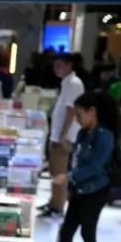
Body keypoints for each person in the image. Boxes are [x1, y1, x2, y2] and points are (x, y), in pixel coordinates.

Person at [31, 91, 120, 242]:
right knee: (66, 230)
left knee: (88, 232)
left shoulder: (105, 136)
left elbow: (96, 167)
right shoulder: (83, 133)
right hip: (80, 190)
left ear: (92, 112)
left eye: (79, 115)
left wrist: (69, 176)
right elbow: (79, 158)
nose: (77, 120)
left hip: (96, 191)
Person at [40, 53, 86, 217]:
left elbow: (71, 112)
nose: (56, 69)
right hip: (58, 134)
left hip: (63, 136)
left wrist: (62, 135)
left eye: (59, 65)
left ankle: (57, 206)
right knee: (54, 170)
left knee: (59, 171)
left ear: (69, 65)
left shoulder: (73, 83)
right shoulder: (67, 83)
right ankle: (54, 201)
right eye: (55, 66)